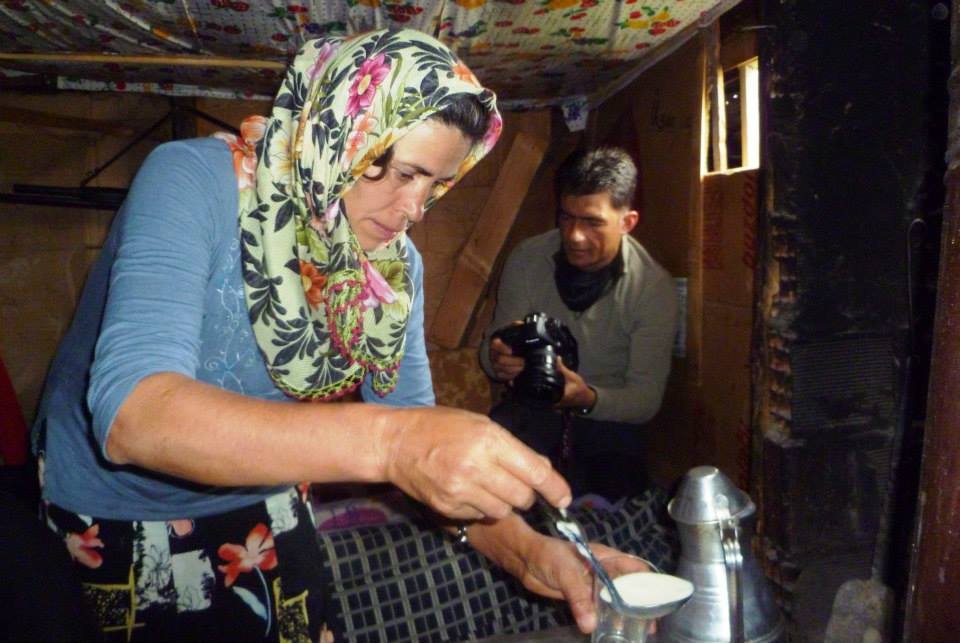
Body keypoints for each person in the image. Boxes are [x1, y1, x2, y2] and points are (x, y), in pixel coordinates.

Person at [31, 30, 631, 641]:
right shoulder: (194, 181)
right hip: (117, 510)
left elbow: (419, 445)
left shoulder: (392, 271)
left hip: (264, 497)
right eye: (400, 172)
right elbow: (134, 418)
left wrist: (527, 551)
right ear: (337, 134)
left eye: (435, 184)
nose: (414, 209)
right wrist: (393, 443)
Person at [480, 146, 679, 501]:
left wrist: (586, 398)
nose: (574, 235)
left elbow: (645, 400)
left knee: (619, 501)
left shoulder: (652, 288)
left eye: (592, 222)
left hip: (607, 423)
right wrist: (498, 358)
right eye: (567, 218)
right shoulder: (528, 259)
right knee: (488, 487)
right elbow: (489, 349)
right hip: (532, 410)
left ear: (627, 222)